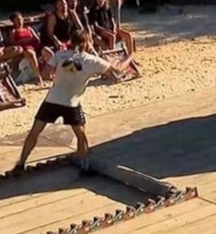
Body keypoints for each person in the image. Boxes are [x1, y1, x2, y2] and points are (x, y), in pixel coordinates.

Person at [14, 30, 132, 175]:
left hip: (52, 99)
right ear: (87, 43)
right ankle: (84, 166)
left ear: (72, 41)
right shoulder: (93, 61)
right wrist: (130, 56)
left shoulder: (59, 55)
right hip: (71, 103)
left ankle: (21, 163)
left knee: (35, 132)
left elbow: (45, 74)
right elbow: (117, 72)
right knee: (81, 136)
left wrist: (61, 72)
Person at [8, 12, 49, 85]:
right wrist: (21, 41)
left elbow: (37, 38)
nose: (20, 21)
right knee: (32, 55)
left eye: (21, 19)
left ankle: (49, 72)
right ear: (13, 22)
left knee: (49, 53)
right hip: (24, 47)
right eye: (17, 20)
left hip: (35, 45)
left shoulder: (28, 28)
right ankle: (39, 77)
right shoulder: (13, 31)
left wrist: (34, 38)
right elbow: (12, 42)